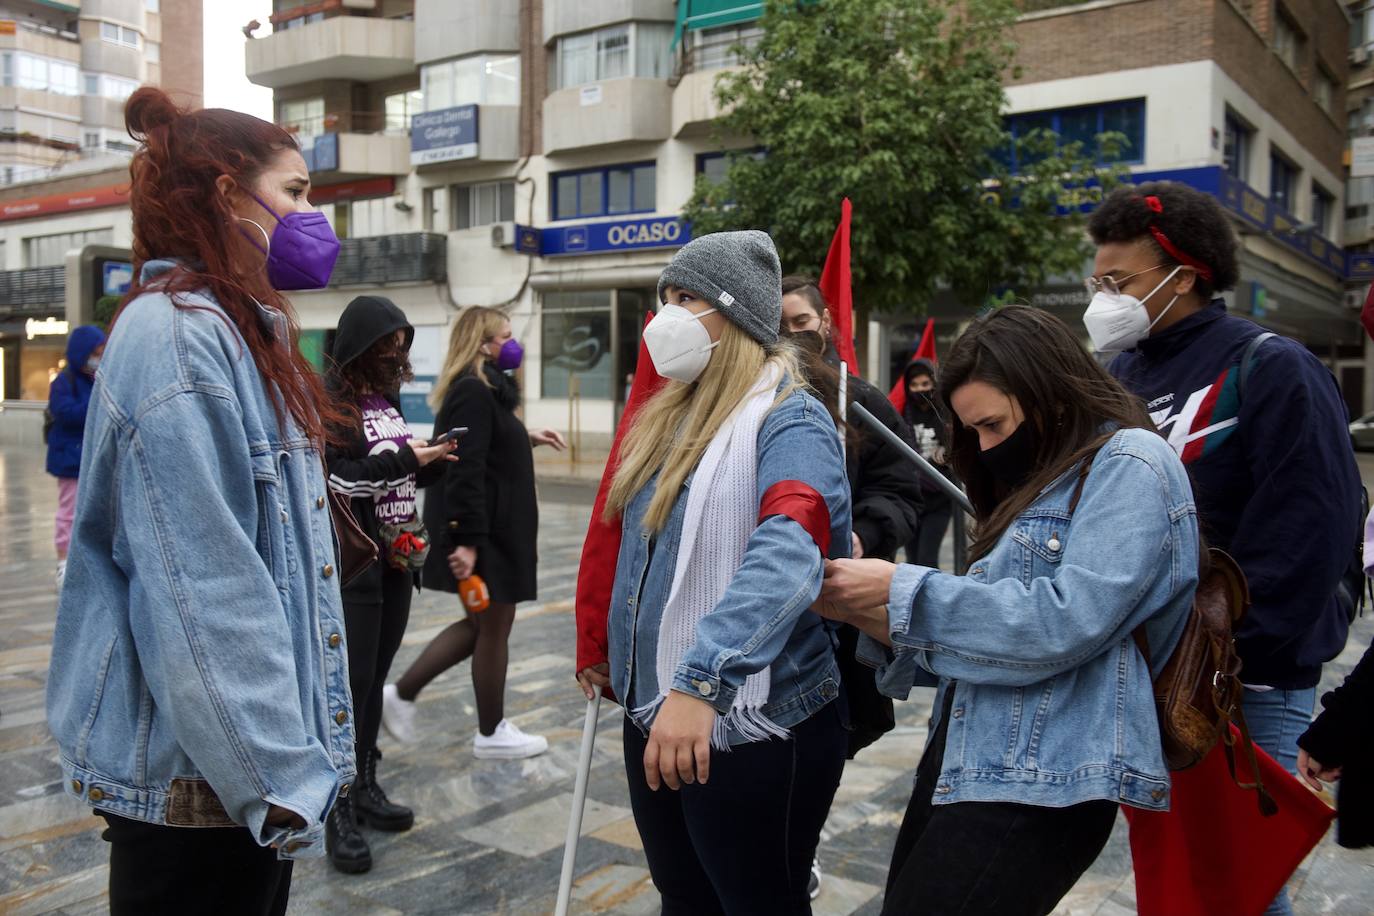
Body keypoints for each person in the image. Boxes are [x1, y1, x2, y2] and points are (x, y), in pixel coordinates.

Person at [46, 88, 353, 914]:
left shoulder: (241, 329)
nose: (309, 218)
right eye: (294, 193)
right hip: (199, 788)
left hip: (228, 775)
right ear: (228, 194)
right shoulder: (180, 338)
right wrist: (280, 779)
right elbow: (204, 588)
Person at [818, 306, 1199, 916]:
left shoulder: (1129, 461)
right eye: (974, 434)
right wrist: (863, 609)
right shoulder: (1044, 475)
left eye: (994, 425)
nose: (988, 447)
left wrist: (902, 590)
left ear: (1048, 394)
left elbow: (1062, 623)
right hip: (969, 753)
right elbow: (992, 637)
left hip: (1043, 777)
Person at [1089, 182, 1362, 916]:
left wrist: (1220, 648)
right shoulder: (1121, 377)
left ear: (1187, 274)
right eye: (1096, 283)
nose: (1103, 298)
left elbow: (1313, 530)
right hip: (1150, 669)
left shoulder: (1271, 366)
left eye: (1120, 282)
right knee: (1185, 872)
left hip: (1247, 676)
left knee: (1241, 881)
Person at [576, 231, 852, 914]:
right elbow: (638, 551)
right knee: (684, 897)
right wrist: (612, 649)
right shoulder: (667, 413)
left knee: (757, 901)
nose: (666, 315)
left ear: (735, 316)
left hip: (749, 717)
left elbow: (789, 548)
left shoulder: (792, 419)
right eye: (665, 297)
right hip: (654, 709)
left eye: (687, 297)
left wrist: (701, 682)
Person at [382, 306, 565, 758]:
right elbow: (465, 468)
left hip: (492, 530)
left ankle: (400, 695)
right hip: (486, 534)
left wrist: (526, 436)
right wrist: (465, 541)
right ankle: (490, 731)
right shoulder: (473, 391)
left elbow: (487, 443)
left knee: (480, 624)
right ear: (483, 343)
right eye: (505, 335)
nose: (512, 342)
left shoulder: (485, 391)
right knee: (492, 627)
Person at [783, 316, 921, 900]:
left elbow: (901, 488)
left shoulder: (859, 403)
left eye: (802, 320)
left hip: (838, 606)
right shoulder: (750, 395)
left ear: (826, 323)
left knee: (832, 730)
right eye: (780, 321)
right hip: (768, 612)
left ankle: (801, 841)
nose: (792, 332)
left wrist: (863, 533)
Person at [321, 295, 457, 873]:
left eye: (402, 344)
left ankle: (368, 782)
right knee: (348, 688)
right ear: (359, 346)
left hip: (399, 558)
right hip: (355, 566)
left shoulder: (387, 398)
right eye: (386, 345)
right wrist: (404, 461)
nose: (397, 354)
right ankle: (338, 807)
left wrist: (430, 460)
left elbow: (394, 467)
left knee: (374, 679)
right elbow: (335, 480)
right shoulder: (333, 405)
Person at [45, 324, 105, 589]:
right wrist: (95, 406)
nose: (99, 358)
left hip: (94, 458)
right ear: (83, 353)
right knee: (69, 511)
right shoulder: (63, 381)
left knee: (95, 510)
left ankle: (89, 561)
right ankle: (64, 561)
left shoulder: (99, 379)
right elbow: (64, 413)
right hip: (70, 459)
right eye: (96, 353)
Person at [900, 357, 954, 568]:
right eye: (913, 385)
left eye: (925, 384)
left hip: (939, 498)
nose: (919, 389)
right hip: (911, 498)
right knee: (911, 561)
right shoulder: (902, 414)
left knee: (927, 560)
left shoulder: (945, 413)